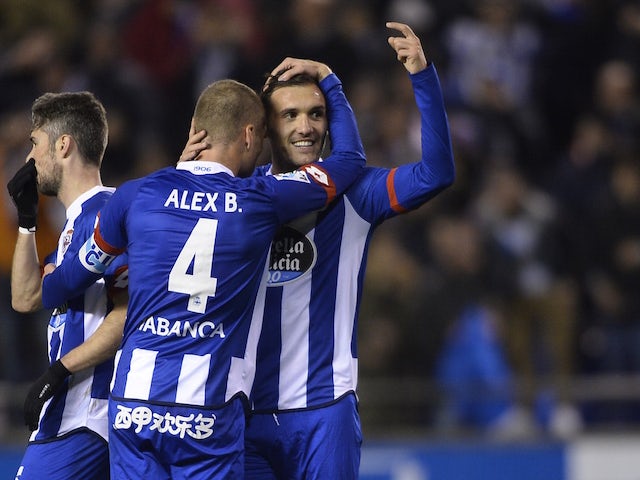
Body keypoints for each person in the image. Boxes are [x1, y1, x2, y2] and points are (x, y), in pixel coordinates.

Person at [39, 59, 365, 479]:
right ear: (250, 135)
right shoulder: (260, 199)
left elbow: (67, 282)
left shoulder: (138, 195)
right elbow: (352, 160)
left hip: (134, 407)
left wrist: (51, 281)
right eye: (263, 137)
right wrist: (329, 80)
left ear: (197, 129)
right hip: (207, 411)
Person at [181, 22, 455, 479]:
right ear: (264, 128)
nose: (305, 126)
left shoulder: (357, 191)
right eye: (289, 115)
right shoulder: (236, 194)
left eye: (316, 113)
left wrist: (422, 76)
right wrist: (187, 173)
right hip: (242, 414)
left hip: (324, 413)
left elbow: (436, 174)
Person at [6, 91, 128, 480]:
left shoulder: (107, 216)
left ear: (63, 145)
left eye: (35, 143)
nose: (30, 158)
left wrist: (58, 371)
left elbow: (127, 312)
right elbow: (25, 298)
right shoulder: (71, 226)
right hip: (71, 416)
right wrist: (27, 219)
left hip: (87, 416)